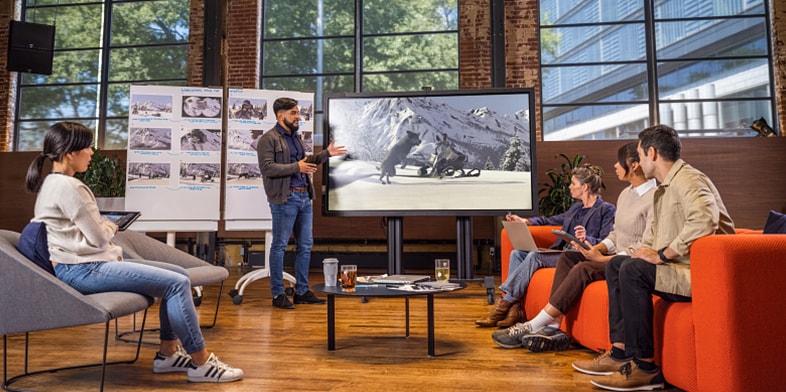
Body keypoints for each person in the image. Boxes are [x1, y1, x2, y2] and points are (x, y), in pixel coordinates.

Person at [26, 122, 243, 383]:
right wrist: (110, 226)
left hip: (77, 266)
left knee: (177, 274)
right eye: (87, 147)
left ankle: (168, 354)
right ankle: (202, 363)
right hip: (83, 269)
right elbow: (97, 239)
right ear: (70, 153)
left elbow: (87, 232)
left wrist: (103, 226)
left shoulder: (51, 183)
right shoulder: (71, 187)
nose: (92, 153)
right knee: (176, 283)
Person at [573, 125, 735, 391]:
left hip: (700, 275)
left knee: (633, 271)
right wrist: (642, 252)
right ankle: (621, 351)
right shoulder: (664, 187)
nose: (638, 161)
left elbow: (705, 221)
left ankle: (645, 367)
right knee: (618, 264)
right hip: (678, 269)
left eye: (639, 154)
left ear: (651, 153)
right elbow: (654, 238)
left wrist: (662, 254)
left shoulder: (689, 180)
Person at [492, 142, 656, 349]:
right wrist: (598, 249)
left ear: (633, 164)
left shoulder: (623, 205)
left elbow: (646, 243)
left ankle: (533, 324)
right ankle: (551, 324)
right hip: (593, 252)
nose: (615, 165)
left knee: (581, 267)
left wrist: (599, 251)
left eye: (618, 161)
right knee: (566, 257)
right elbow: (615, 235)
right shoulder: (625, 195)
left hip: (626, 260)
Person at [476, 164, 616, 328]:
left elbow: (607, 240)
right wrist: (526, 221)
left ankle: (504, 305)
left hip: (575, 256)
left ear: (584, 187)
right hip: (559, 251)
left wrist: (586, 238)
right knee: (517, 254)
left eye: (573, 183)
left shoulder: (606, 209)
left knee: (535, 256)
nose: (570, 187)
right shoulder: (576, 208)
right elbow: (552, 220)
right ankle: (515, 309)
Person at [257, 97, 347, 309]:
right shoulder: (268, 139)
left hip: (304, 197)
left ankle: (302, 291)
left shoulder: (295, 138)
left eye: (298, 113)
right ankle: (278, 294)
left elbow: (303, 163)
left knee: (305, 246)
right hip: (284, 198)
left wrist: (326, 154)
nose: (298, 117)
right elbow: (267, 168)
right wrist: (297, 167)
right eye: (294, 113)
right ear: (281, 115)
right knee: (279, 246)